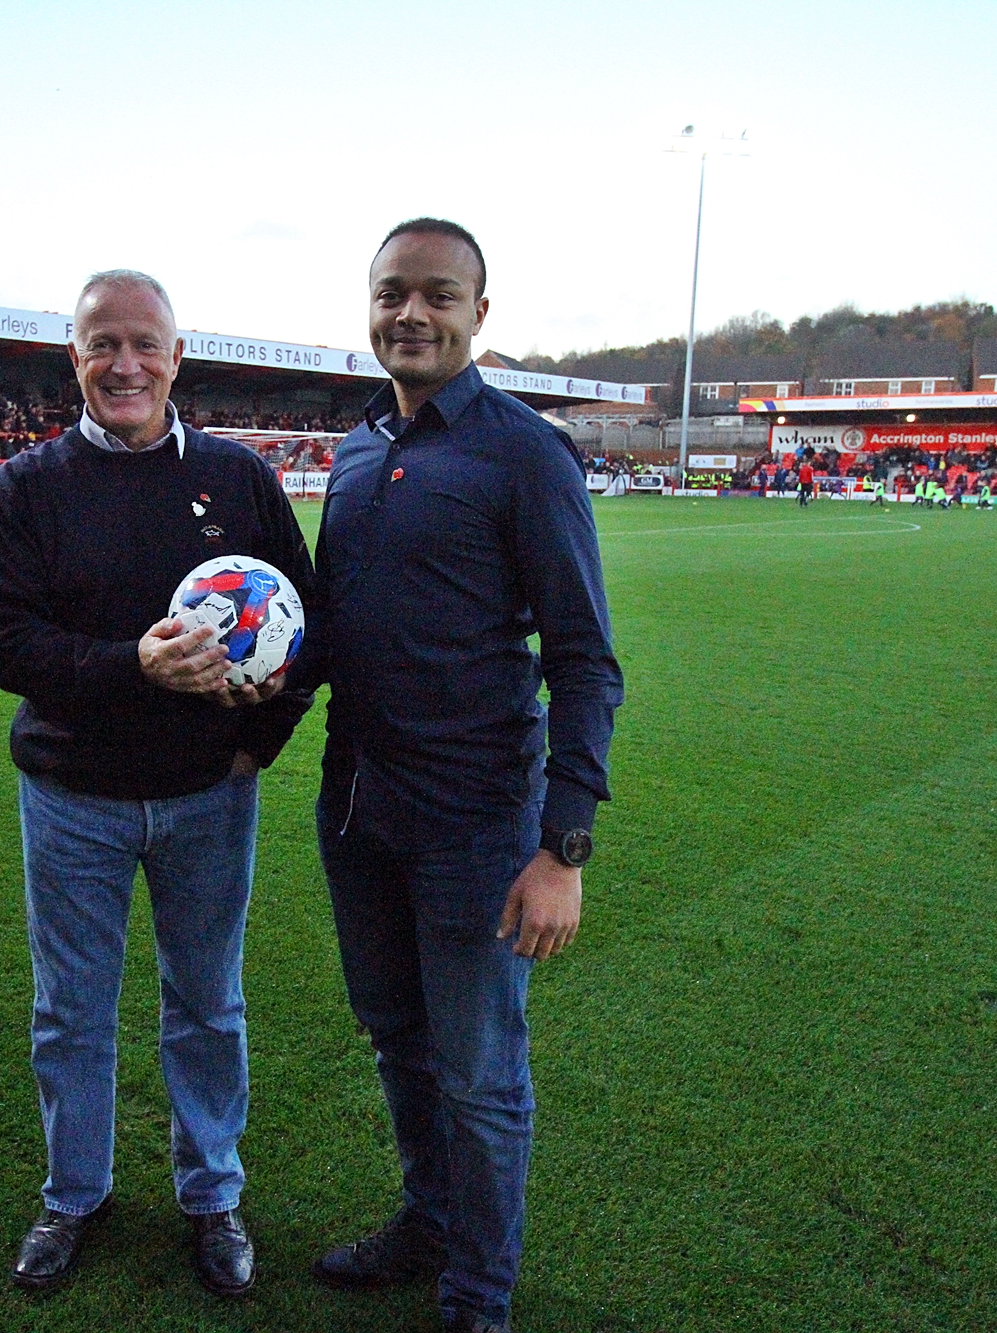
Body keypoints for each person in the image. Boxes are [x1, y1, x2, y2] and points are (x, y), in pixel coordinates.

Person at [294, 219, 621, 1333]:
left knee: (479, 1074)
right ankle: (427, 1222)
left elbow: (582, 660)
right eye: (392, 293)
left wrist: (561, 845)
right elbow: (335, 633)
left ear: (481, 313)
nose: (411, 314)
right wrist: (256, 707)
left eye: (438, 294)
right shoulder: (350, 452)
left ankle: (476, 1293)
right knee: (396, 1038)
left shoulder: (526, 452)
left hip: (478, 823)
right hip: (356, 809)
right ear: (367, 303)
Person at [0, 270, 314, 1298]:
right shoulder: (25, 488)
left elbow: (305, 625)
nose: (122, 363)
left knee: (206, 1004)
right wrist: (134, 662)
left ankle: (212, 1196)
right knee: (69, 1012)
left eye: (142, 343)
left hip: (209, 794)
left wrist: (263, 742)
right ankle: (72, 1195)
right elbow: (8, 644)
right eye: (99, 344)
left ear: (177, 355)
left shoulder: (237, 479)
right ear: (72, 357)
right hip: (71, 796)